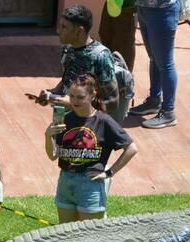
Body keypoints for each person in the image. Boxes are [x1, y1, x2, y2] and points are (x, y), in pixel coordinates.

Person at [44, 73, 138, 223]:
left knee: (89, 240)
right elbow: (53, 155)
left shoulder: (103, 121)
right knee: (65, 237)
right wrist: (48, 136)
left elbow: (131, 148)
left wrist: (109, 173)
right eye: (72, 96)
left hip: (90, 185)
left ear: (92, 95)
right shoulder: (65, 119)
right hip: (65, 181)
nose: (74, 101)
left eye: (80, 97)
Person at [29, 4, 120, 119]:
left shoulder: (101, 57)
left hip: (89, 127)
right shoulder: (68, 49)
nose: (59, 31)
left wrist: (74, 104)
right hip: (64, 120)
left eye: (64, 27)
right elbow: (67, 81)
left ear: (79, 31)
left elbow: (112, 102)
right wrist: (51, 94)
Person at [129, 0, 179, 129]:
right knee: (154, 58)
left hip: (163, 11)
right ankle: (154, 101)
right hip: (144, 8)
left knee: (165, 64)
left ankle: (168, 112)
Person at [98, 0, 137, 71]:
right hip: (111, 4)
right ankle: (111, 68)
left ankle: (126, 76)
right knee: (104, 33)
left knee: (125, 43)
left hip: (127, 7)